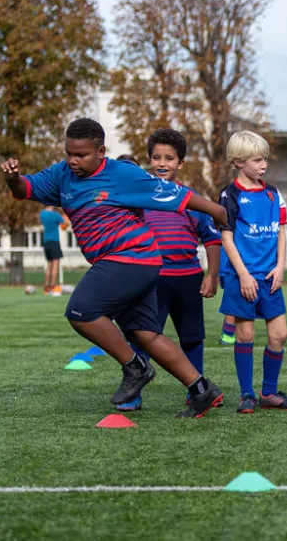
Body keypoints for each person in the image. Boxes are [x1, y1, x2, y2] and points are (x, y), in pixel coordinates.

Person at [1, 118, 224, 418]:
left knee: (80, 311)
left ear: (101, 151)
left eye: (81, 155)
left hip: (132, 257)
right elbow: (24, 189)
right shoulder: (62, 175)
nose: (73, 160)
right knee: (145, 334)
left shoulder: (123, 174)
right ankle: (201, 389)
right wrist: (12, 178)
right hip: (125, 263)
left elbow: (176, 195)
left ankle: (136, 368)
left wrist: (218, 211)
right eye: (69, 152)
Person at [115, 129, 222, 412]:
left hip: (188, 279)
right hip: (150, 279)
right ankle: (134, 393)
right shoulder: (138, 199)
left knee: (192, 336)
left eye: (169, 158)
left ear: (181, 164)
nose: (162, 163)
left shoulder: (190, 199)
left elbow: (211, 238)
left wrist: (211, 275)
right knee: (142, 335)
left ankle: (197, 391)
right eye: (156, 157)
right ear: (149, 160)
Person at [218, 130, 287, 415]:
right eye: (257, 160)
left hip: (269, 276)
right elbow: (226, 238)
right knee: (245, 335)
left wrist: (280, 266)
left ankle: (268, 391)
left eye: (264, 159)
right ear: (238, 162)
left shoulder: (272, 193)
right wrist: (242, 274)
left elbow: (280, 233)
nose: (263, 165)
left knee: (279, 335)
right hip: (243, 277)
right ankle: (246, 395)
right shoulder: (229, 195)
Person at [39, 205, 66, 296]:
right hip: (54, 241)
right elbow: (64, 224)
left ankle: (46, 288)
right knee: (55, 264)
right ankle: (53, 287)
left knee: (49, 264)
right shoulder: (55, 215)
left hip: (46, 242)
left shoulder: (42, 214)